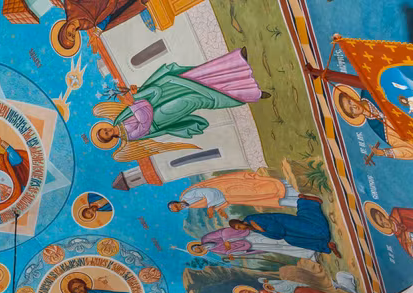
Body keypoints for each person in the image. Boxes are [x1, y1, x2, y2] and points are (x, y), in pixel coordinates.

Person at [92, 49, 267, 161]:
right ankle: (246, 93)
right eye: (106, 134)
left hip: (155, 103)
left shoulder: (120, 120)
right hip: (161, 116)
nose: (108, 131)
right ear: (110, 139)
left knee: (189, 79)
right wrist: (136, 103)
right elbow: (145, 124)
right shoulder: (129, 136)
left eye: (104, 130)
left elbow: (136, 105)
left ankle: (236, 64)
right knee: (195, 99)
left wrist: (136, 97)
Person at [228, 194, 341, 258]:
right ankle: (326, 245)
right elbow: (276, 235)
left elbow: (276, 227)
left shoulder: (252, 219)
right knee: (293, 241)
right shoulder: (252, 228)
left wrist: (262, 230)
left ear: (240, 222)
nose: (241, 229)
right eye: (238, 229)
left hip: (284, 222)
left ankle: (306, 201)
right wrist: (262, 231)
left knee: (313, 229)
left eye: (239, 226)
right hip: (284, 231)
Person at [169, 170, 300, 219]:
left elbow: (209, 192)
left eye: (176, 206)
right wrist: (219, 209)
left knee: (259, 188)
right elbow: (214, 200)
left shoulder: (187, 196)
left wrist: (210, 207)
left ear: (176, 202)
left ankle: (293, 188)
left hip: (228, 188)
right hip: (230, 196)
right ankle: (296, 197)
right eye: (177, 210)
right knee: (260, 197)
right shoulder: (189, 205)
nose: (179, 207)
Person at [56, 0, 147, 51]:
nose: (72, 32)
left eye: (68, 34)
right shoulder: (86, 25)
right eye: (73, 36)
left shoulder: (70, 6)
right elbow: (106, 17)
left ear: (63, 30)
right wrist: (96, 34)